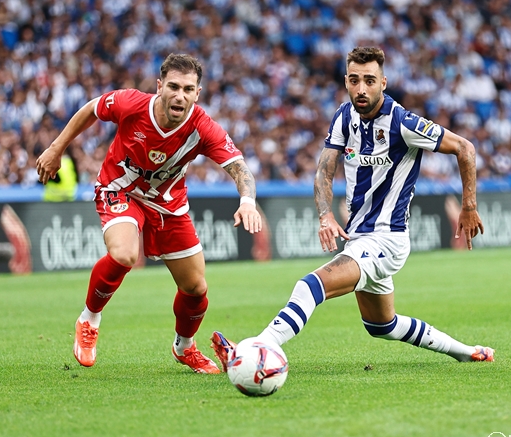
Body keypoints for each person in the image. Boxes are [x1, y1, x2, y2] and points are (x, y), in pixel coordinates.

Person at [211, 47, 493, 369]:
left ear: (383, 83)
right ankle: (466, 351)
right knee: (381, 325)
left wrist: (468, 205)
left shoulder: (403, 122)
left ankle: (256, 348)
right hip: (359, 238)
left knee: (310, 285)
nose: (361, 89)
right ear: (345, 80)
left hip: (387, 239)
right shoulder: (344, 116)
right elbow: (324, 170)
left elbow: (465, 148)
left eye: (369, 81)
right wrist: (325, 214)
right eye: (355, 80)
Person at [36, 54, 262, 373]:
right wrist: (56, 148)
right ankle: (89, 320)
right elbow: (91, 109)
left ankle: (184, 348)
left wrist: (247, 200)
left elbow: (239, 167)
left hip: (168, 204)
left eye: (188, 89)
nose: (179, 95)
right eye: (173, 86)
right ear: (159, 86)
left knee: (196, 289)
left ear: (197, 93)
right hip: (120, 189)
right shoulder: (131, 103)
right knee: (125, 254)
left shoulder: (202, 127)